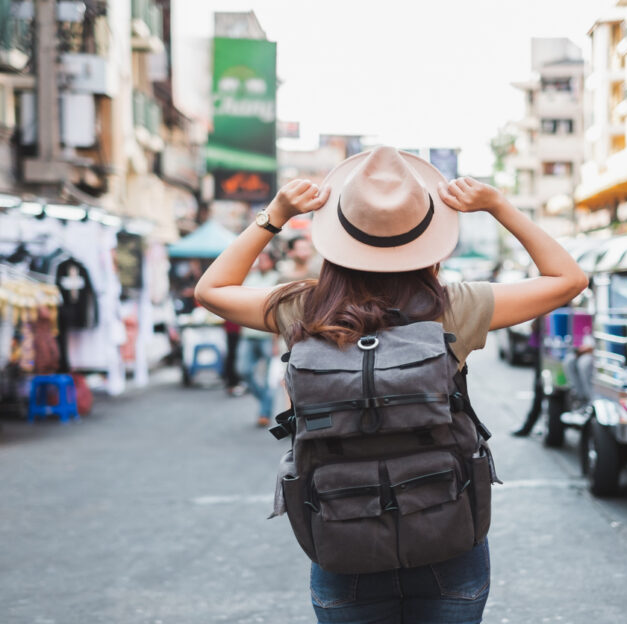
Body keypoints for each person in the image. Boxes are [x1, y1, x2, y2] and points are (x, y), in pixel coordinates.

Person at [194, 146, 587, 623]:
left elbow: (210, 291)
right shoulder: (454, 307)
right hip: (447, 532)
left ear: (336, 236)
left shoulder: (305, 309)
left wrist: (275, 215)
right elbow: (569, 279)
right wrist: (499, 206)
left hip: (343, 538)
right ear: (428, 239)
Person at [237, 252, 279, 426]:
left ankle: (264, 412)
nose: (261, 262)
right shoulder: (251, 278)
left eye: (264, 259)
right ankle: (264, 400)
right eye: (259, 259)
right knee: (243, 370)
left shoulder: (277, 278)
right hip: (248, 334)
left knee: (270, 377)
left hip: (268, 335)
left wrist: (277, 339)